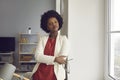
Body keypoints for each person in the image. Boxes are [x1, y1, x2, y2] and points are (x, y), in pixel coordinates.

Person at [31, 10, 69, 80]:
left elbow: (62, 60)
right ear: (47, 27)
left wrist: (44, 59)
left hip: (55, 75)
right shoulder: (42, 39)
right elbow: (37, 57)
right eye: (50, 24)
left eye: (55, 22)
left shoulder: (64, 39)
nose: (54, 25)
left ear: (59, 23)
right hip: (40, 74)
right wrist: (55, 59)